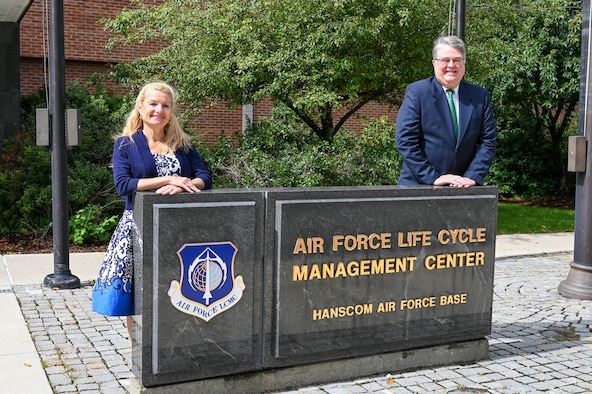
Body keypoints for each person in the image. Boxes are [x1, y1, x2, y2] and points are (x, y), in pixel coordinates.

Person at [92, 81, 212, 335]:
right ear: (140, 107)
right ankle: (140, 353)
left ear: (171, 112)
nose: (159, 109)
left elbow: (205, 177)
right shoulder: (126, 145)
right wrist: (168, 179)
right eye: (153, 104)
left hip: (181, 230)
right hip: (139, 229)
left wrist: (184, 185)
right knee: (140, 295)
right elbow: (124, 185)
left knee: (177, 289)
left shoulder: (183, 145)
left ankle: (174, 347)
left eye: (165, 105)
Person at [395, 35, 496, 187]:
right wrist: (433, 177)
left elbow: (488, 141)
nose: (451, 65)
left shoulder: (479, 96)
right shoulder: (418, 93)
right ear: (434, 63)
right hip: (420, 186)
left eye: (457, 60)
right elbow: (405, 141)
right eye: (445, 60)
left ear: (464, 63)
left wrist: (472, 176)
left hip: (464, 187)